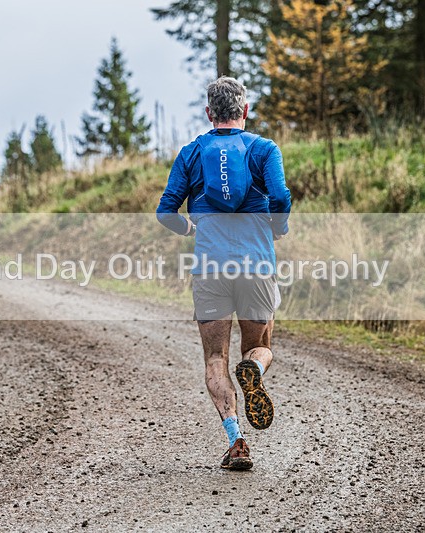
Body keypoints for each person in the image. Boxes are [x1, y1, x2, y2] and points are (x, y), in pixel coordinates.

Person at [157, 76, 291, 470]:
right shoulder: (264, 149)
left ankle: (236, 440)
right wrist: (278, 228)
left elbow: (166, 211)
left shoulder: (192, 152)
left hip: (211, 267)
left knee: (215, 358)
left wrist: (190, 228)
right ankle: (255, 368)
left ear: (209, 113)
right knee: (259, 347)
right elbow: (280, 197)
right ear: (245, 111)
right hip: (256, 263)